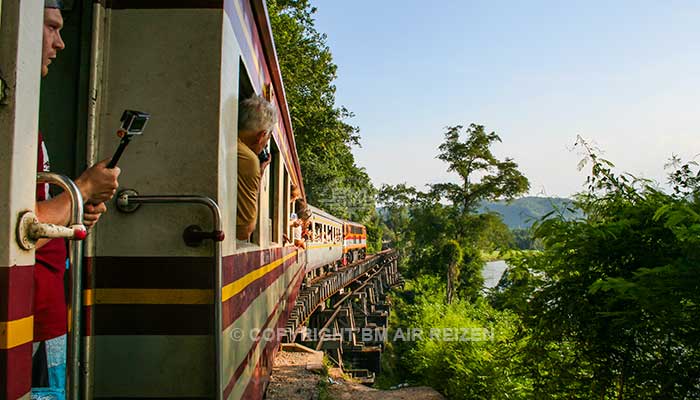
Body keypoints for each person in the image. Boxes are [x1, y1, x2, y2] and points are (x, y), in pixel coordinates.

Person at [33, 0, 121, 394]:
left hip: (42, 310)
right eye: (51, 28)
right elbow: (16, 222)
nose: (61, 43)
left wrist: (73, 215)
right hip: (27, 313)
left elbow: (36, 215)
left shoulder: (24, 126)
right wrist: (82, 189)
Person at [236, 94, 277, 241]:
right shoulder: (249, 160)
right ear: (261, 136)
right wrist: (258, 175)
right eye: (266, 141)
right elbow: (244, 231)